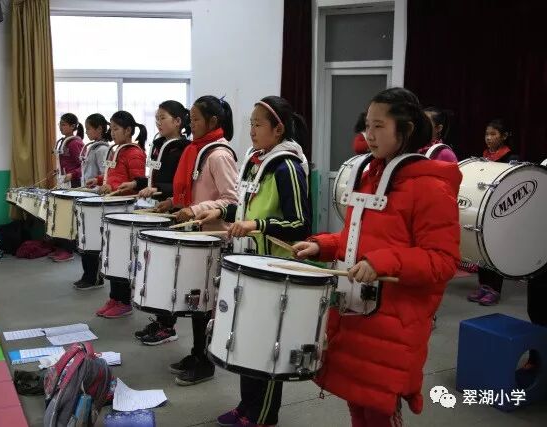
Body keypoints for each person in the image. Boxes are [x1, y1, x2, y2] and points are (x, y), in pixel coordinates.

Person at [293, 87, 461, 426]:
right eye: (367, 125)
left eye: (379, 126)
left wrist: (383, 261)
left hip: (393, 324)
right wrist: (324, 246)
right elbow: (358, 238)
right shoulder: (370, 177)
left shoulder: (430, 187)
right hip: (354, 314)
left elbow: (443, 261)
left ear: (407, 129)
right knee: (357, 403)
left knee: (380, 410)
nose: (368, 135)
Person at [197, 96, 311, 427]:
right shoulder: (255, 161)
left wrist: (256, 225)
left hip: (274, 270)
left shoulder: (287, 166)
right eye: (250, 123)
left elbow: (299, 223)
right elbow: (244, 208)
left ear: (278, 129)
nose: (252, 130)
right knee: (245, 339)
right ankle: (247, 406)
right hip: (248, 263)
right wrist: (219, 211)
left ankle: (264, 415)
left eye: (258, 124)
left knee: (266, 344)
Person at [155, 95, 238, 386]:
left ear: (213, 121)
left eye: (196, 119)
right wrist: (173, 202)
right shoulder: (197, 149)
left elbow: (231, 200)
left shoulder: (219, 154)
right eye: (190, 119)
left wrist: (195, 209)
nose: (191, 124)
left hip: (215, 237)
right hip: (198, 237)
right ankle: (197, 353)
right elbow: (196, 191)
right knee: (195, 301)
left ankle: (205, 363)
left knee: (205, 304)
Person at [126, 101, 191, 345]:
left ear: (178, 121)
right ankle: (161, 321)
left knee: (168, 271)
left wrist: (159, 190)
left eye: (163, 117)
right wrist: (138, 184)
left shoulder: (183, 148)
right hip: (157, 209)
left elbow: (181, 184)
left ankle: (168, 326)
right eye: (157, 118)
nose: (158, 122)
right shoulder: (158, 145)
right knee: (155, 269)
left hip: (174, 211)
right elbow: (153, 176)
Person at [84, 112, 147, 322]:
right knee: (111, 256)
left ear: (128, 131)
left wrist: (113, 187)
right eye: (111, 128)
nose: (112, 132)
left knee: (122, 257)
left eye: (116, 129)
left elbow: (138, 183)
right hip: (112, 209)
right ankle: (114, 298)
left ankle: (124, 302)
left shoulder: (134, 153)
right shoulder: (114, 149)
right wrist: (99, 180)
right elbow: (112, 175)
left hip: (125, 210)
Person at [468, 118, 514, 305]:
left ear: (504, 136)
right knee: (481, 249)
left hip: (500, 211)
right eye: (487, 134)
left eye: (493, 134)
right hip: (483, 209)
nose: (488, 138)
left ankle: (495, 289)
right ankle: (483, 286)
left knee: (494, 251)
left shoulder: (511, 158)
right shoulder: (484, 157)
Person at [69, 114, 111, 280]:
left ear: (99, 129)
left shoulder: (102, 149)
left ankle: (93, 277)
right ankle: (88, 275)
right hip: (87, 198)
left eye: (89, 129)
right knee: (84, 239)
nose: (86, 132)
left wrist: (96, 187)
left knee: (92, 240)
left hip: (96, 200)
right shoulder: (93, 147)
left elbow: (105, 175)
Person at [54, 113, 84, 188]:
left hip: (74, 181)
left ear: (72, 126)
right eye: (60, 124)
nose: (60, 127)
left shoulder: (75, 143)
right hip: (65, 180)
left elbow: (84, 165)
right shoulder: (64, 142)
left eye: (63, 125)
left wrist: (72, 174)